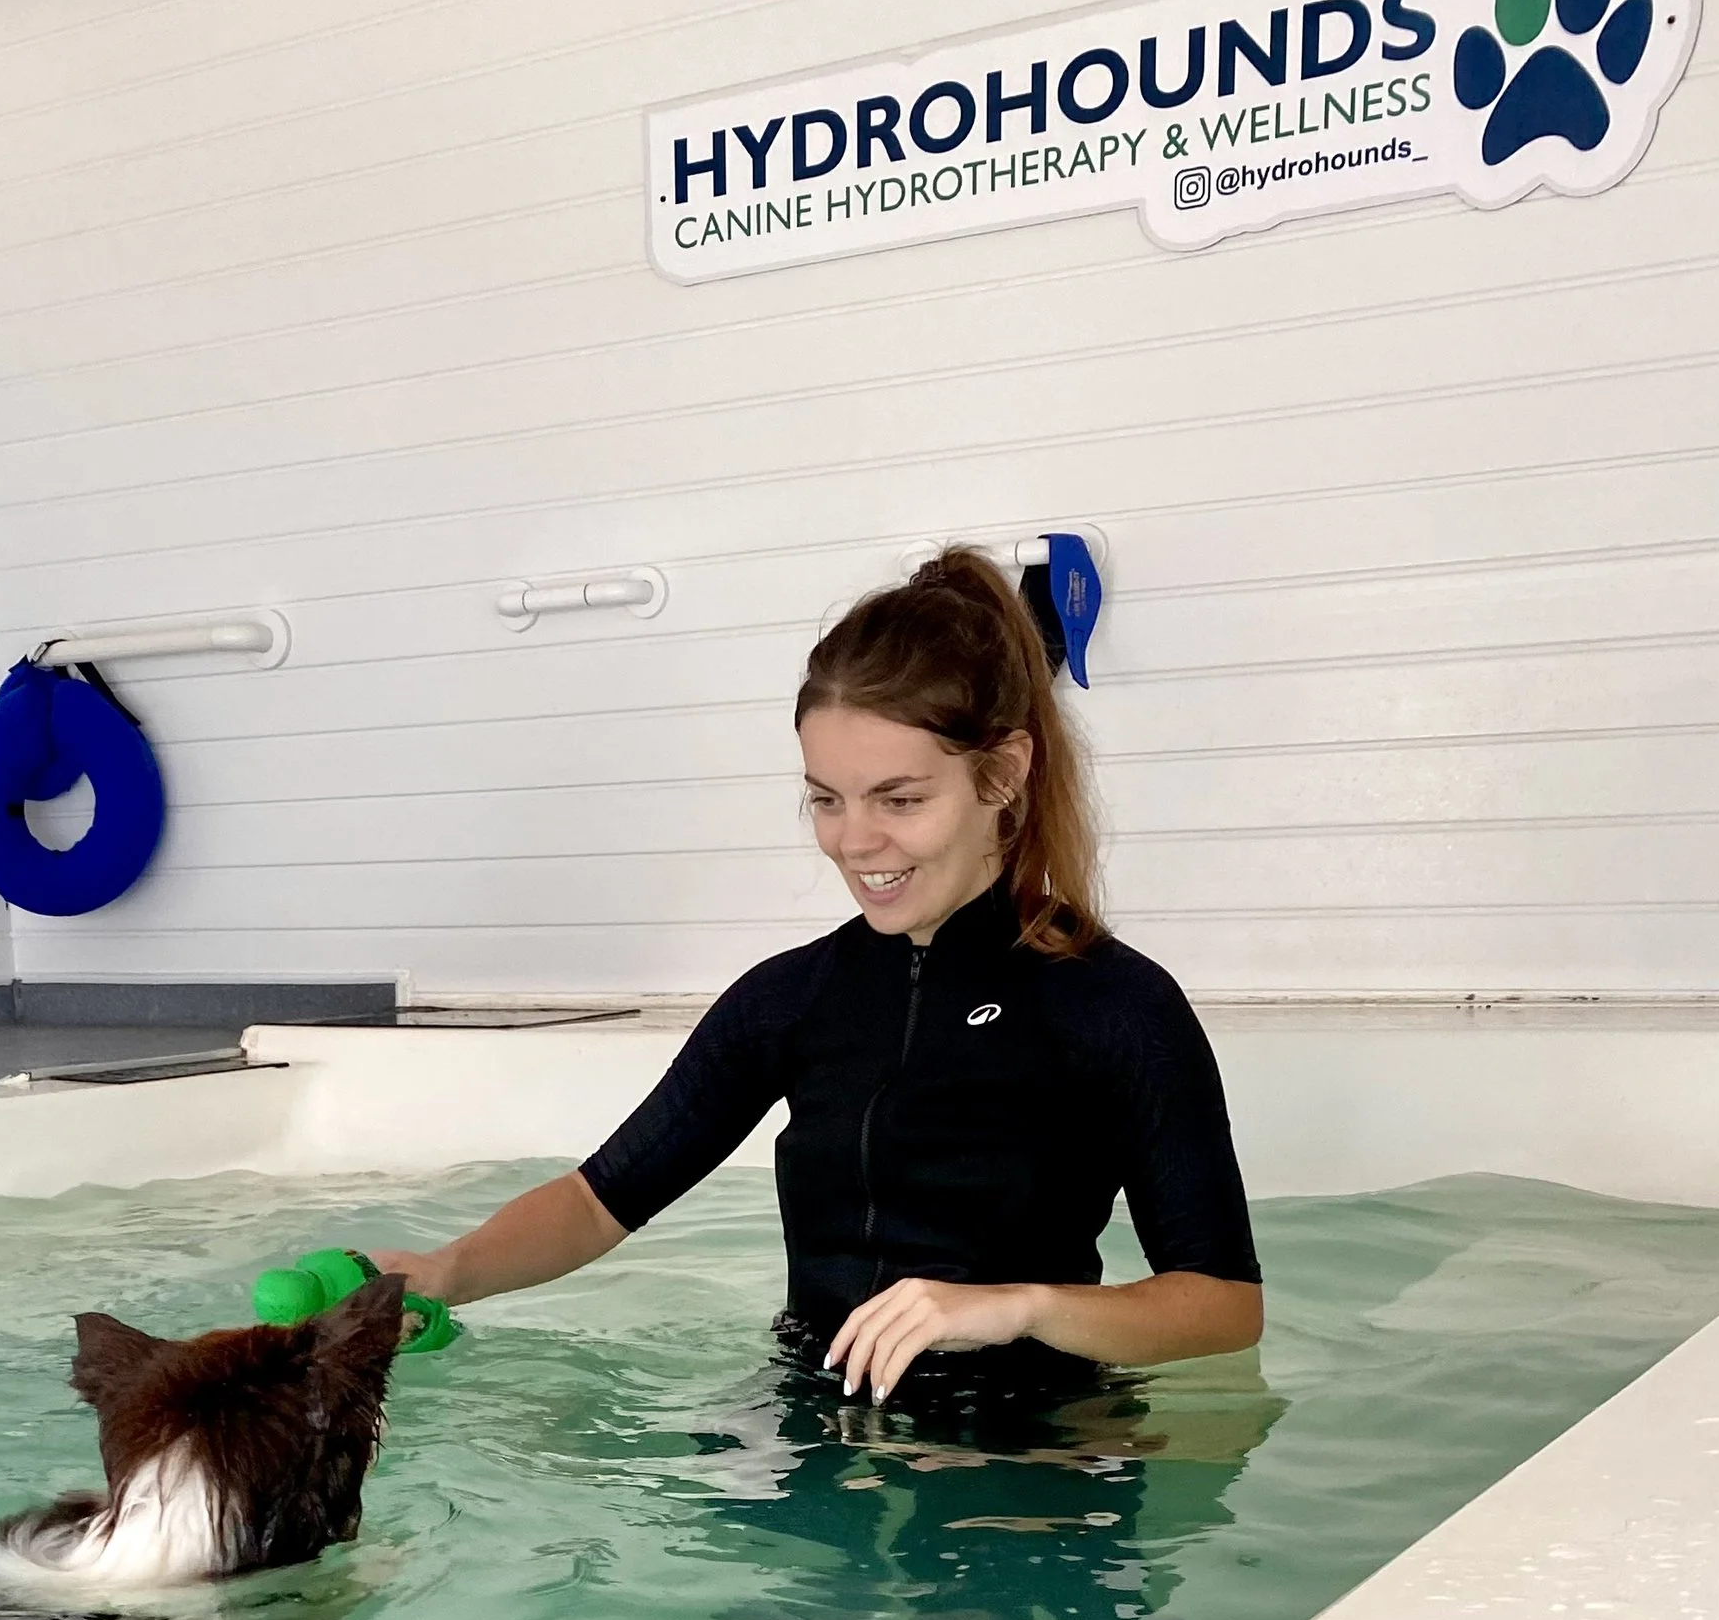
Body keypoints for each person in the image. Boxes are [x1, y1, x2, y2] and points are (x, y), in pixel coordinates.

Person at [370, 546, 1263, 1409]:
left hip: (1029, 1450)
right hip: (813, 1423)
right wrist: (448, 1272)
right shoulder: (792, 999)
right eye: (826, 799)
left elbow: (1224, 1305)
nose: (854, 840)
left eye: (900, 799)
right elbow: (602, 1198)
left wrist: (1021, 1307)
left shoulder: (1115, 1004)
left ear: (1003, 773)